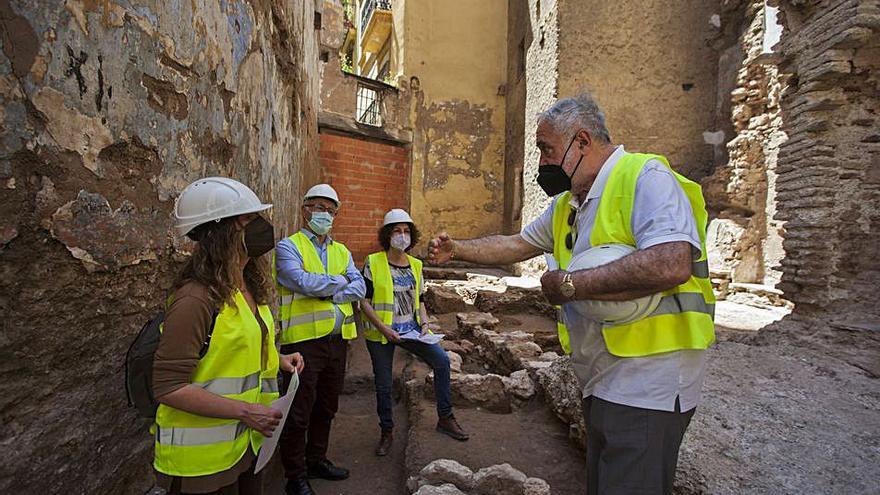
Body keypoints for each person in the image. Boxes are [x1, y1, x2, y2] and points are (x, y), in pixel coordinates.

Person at [428, 92, 715, 495]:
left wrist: (571, 285)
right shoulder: (570, 203)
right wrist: (458, 247)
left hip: (650, 380)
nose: (541, 163)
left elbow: (671, 262)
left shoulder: (645, 176)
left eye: (547, 149)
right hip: (602, 376)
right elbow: (516, 244)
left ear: (582, 142)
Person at [152, 177, 305, 495]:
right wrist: (245, 412)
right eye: (248, 219)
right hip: (201, 464)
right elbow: (168, 387)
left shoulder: (247, 286)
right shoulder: (195, 299)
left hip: (246, 446)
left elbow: (234, 349)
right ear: (221, 231)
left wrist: (278, 360)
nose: (261, 226)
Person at [273, 184, 366, 495]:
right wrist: (340, 283)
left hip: (338, 342)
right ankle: (295, 477)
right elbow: (297, 280)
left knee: (326, 407)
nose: (323, 213)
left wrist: (324, 286)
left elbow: (360, 288)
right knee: (298, 411)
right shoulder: (289, 246)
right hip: (302, 345)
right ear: (305, 210)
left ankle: (316, 460)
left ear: (336, 214)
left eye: (329, 209)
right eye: (317, 207)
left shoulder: (342, 251)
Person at [360, 209, 469, 457]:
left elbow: (419, 298)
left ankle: (445, 417)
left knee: (441, 361)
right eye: (397, 231)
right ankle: (386, 432)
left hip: (411, 331)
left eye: (406, 231)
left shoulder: (416, 265)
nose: (402, 235)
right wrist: (384, 328)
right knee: (384, 384)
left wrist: (425, 323)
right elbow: (363, 302)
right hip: (382, 334)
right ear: (388, 235)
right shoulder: (373, 262)